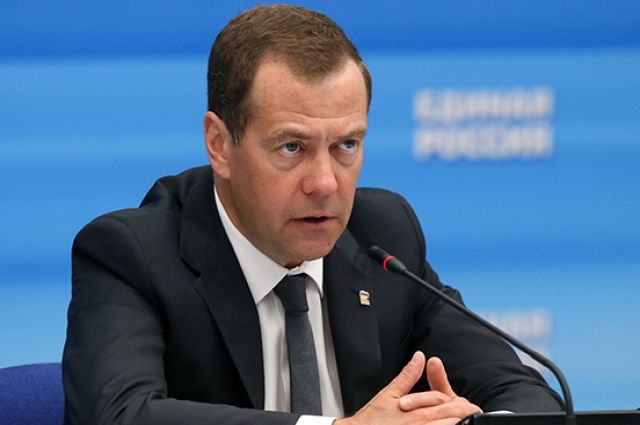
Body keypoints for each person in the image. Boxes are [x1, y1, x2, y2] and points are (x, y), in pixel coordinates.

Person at [63, 4, 563, 425]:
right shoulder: (132, 255)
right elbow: (119, 415)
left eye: (346, 145)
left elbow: (522, 392)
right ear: (220, 144)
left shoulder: (384, 236)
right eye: (292, 147)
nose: (325, 183)